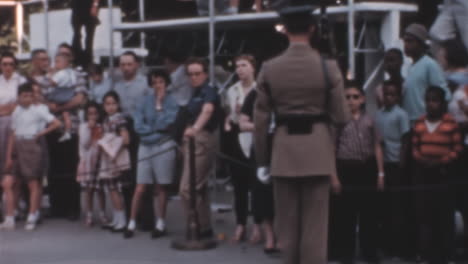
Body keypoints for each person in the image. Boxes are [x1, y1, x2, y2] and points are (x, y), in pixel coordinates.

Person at [254, 5, 349, 264]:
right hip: (317, 152)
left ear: (284, 29)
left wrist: (262, 160)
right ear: (312, 28)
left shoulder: (269, 68)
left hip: (283, 153)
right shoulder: (328, 67)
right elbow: (341, 116)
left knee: (287, 228)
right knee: (315, 230)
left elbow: (260, 121)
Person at [330, 82, 385, 263]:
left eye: (355, 97)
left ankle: (369, 251)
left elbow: (377, 145)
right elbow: (332, 149)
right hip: (346, 168)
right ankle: (346, 252)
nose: (351, 101)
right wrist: (335, 177)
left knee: (369, 213)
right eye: (347, 97)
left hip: (367, 168)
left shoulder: (370, 120)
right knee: (346, 214)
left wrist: (380, 173)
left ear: (362, 99)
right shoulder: (338, 122)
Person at [124, 70, 179, 239]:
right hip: (146, 145)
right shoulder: (143, 101)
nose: (158, 85)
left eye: (161, 82)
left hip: (163, 146)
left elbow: (169, 124)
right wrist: (154, 131)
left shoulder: (172, 101)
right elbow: (138, 125)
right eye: (155, 82)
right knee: (140, 186)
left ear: (166, 83)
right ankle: (131, 222)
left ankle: (160, 223)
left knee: (161, 186)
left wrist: (159, 106)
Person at [412, 86, 462, 263]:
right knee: (426, 216)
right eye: (428, 100)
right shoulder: (419, 123)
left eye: (435, 100)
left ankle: (447, 255)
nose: (431, 104)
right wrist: (422, 160)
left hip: (443, 175)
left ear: (442, 103)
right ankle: (426, 254)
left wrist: (441, 161)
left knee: (445, 216)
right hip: (424, 174)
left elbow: (457, 149)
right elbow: (415, 147)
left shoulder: (451, 123)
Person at [1, 83, 61, 231]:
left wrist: (40, 134)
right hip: (18, 146)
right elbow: (13, 134)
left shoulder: (37, 111)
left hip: (31, 146)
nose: (27, 99)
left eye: (29, 96)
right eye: (24, 96)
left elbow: (56, 123)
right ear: (19, 97)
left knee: (33, 183)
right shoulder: (16, 112)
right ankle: (10, 217)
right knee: (9, 183)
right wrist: (9, 156)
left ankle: (32, 215)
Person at [179, 57, 221, 239]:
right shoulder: (194, 92)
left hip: (202, 137)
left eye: (197, 73)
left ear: (205, 74)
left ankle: (195, 223)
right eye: (191, 74)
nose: (194, 77)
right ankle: (204, 227)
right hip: (191, 140)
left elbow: (208, 110)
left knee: (187, 188)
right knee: (199, 187)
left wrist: (195, 129)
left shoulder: (209, 91)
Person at [223, 54, 259, 243]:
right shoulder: (232, 90)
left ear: (253, 68)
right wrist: (233, 117)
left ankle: (259, 226)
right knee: (239, 186)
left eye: (244, 65)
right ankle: (240, 224)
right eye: (237, 66)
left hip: (257, 138)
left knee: (258, 185)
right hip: (238, 139)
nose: (240, 69)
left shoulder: (260, 89)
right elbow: (232, 118)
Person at [374, 80, 411, 258]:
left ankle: (399, 246)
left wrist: (402, 163)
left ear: (397, 96)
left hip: (396, 163)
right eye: (386, 94)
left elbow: (405, 140)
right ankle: (385, 243)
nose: (388, 97)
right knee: (384, 206)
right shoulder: (378, 115)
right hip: (383, 164)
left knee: (398, 207)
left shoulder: (401, 115)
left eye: (392, 94)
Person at [239, 88, 276, 253]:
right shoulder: (254, 95)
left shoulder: (285, 92)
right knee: (262, 192)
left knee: (283, 191)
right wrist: (262, 126)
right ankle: (269, 236)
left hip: (284, 147)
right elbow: (242, 123)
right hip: (262, 147)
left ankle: (281, 235)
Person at [402, 23, 450, 123]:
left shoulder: (430, 64)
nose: (406, 45)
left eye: (410, 41)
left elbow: (444, 94)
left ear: (420, 43)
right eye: (405, 41)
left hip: (425, 122)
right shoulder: (410, 67)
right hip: (410, 121)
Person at [99, 91, 130, 232]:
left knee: (116, 189)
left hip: (117, 157)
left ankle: (122, 220)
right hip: (107, 157)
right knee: (110, 189)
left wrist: (111, 145)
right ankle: (117, 218)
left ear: (118, 104)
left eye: (113, 104)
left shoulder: (119, 120)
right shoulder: (105, 120)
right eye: (107, 104)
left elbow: (126, 139)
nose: (110, 107)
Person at [77, 102, 109, 227]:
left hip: (100, 160)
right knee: (89, 190)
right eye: (90, 114)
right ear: (86, 115)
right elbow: (84, 143)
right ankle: (89, 214)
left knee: (100, 189)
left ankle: (102, 214)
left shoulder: (102, 126)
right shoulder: (83, 127)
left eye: (95, 113)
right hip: (88, 161)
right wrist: (90, 129)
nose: (93, 116)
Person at [0, 53, 26, 187]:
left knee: (17, 156)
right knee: (2, 156)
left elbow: (21, 103)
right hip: (1, 123)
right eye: (5, 64)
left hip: (18, 121)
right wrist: (8, 108)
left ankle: (19, 195)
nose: (8, 67)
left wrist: (7, 108)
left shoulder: (20, 81)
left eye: (11, 64)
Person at [46, 53, 78, 142]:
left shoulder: (61, 73)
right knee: (66, 114)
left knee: (48, 98)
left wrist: (49, 74)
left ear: (65, 63)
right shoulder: (71, 72)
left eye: (57, 62)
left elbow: (52, 83)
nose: (55, 64)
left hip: (60, 94)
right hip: (69, 94)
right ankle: (67, 131)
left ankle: (55, 123)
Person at [71, 0, 101, 68]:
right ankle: (77, 61)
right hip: (77, 5)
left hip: (89, 5)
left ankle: (88, 63)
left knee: (89, 38)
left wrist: (95, 5)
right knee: (76, 35)